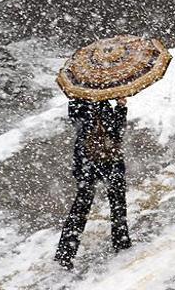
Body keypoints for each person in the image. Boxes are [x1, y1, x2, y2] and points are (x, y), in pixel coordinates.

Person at [54, 97, 132, 270]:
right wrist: (96, 107)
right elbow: (83, 128)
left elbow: (117, 131)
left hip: (110, 158)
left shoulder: (104, 103)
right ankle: (65, 254)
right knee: (82, 206)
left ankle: (121, 242)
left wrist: (120, 108)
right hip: (88, 161)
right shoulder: (77, 102)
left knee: (118, 200)